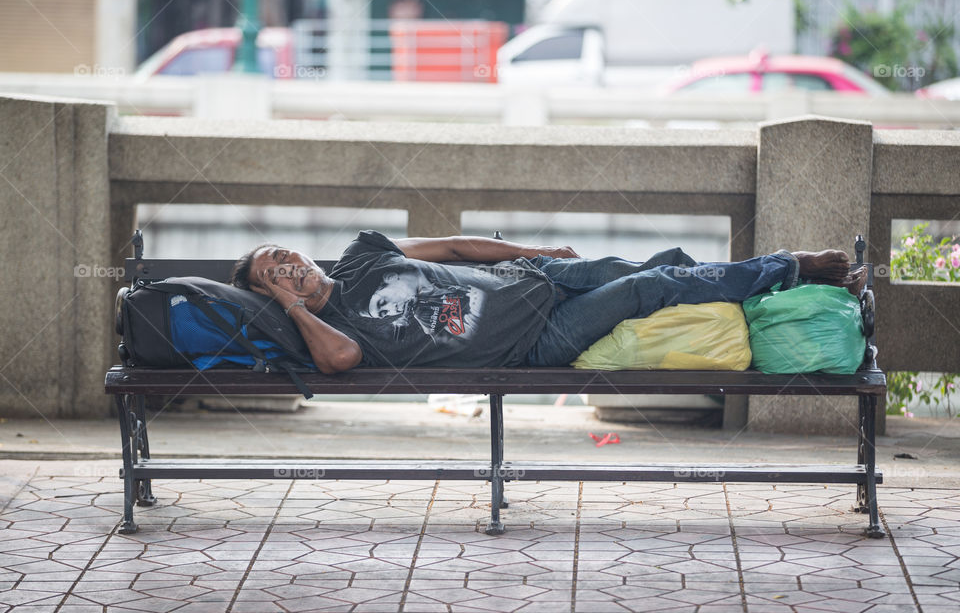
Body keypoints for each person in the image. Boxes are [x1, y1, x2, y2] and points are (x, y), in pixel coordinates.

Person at [228, 230, 866, 375]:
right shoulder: (327, 326)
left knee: (664, 264)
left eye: (283, 253)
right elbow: (338, 362)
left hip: (535, 277)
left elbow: (451, 249)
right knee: (648, 287)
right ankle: (790, 267)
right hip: (536, 341)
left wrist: (534, 251)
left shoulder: (362, 254)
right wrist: (291, 306)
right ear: (272, 291)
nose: (289, 265)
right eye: (273, 273)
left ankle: (800, 290)